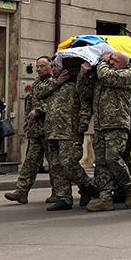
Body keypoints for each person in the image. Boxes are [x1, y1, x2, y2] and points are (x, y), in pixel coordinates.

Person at [44, 59, 99, 211]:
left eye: (56, 66)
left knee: (68, 163)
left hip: (70, 130)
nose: (53, 69)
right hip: (52, 130)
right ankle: (64, 197)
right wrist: (57, 82)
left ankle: (88, 185)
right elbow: (39, 93)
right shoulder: (52, 84)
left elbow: (85, 102)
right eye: (52, 66)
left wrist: (84, 122)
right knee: (55, 166)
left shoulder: (76, 84)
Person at [84, 50, 131, 211]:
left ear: (125, 63)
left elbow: (105, 76)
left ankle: (129, 185)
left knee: (112, 158)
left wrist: (102, 61)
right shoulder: (103, 74)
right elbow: (84, 93)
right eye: (110, 59)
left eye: (114, 60)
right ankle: (105, 197)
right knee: (101, 163)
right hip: (100, 125)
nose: (111, 62)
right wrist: (82, 75)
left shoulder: (126, 75)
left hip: (117, 124)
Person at [5, 56, 54, 204]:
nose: (38, 69)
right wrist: (27, 125)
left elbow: (56, 104)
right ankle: (21, 191)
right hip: (36, 131)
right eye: (37, 66)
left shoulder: (55, 82)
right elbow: (29, 106)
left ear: (50, 66)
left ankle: (58, 192)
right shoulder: (37, 83)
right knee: (30, 162)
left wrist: (39, 111)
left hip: (50, 130)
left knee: (54, 163)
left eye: (42, 66)